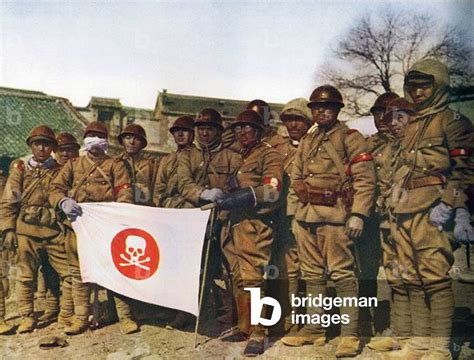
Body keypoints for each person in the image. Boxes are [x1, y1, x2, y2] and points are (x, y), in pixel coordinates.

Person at [386, 58, 473, 359]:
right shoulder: (412, 124)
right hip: (404, 210)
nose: (419, 93)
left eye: (425, 86)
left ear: (440, 86)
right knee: (411, 278)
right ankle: (419, 344)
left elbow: (464, 169)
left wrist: (451, 205)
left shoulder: (453, 121)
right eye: (414, 87)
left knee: (435, 278)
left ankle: (439, 348)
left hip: (433, 210)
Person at [287, 85, 376, 357]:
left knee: (342, 275)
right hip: (305, 216)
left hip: (337, 217)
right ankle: (315, 329)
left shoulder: (350, 138)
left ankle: (350, 334)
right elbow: (296, 180)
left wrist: (359, 214)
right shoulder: (307, 141)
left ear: (337, 109)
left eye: (327, 107)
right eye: (316, 107)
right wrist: (293, 216)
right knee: (312, 274)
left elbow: (365, 179)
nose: (321, 111)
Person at [49, 121, 138, 335]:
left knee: (115, 270)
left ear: (106, 141)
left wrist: (117, 214)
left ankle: (125, 317)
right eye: (90, 136)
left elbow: (125, 192)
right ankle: (81, 318)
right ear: (84, 140)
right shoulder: (73, 164)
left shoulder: (115, 165)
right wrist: (62, 201)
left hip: (106, 227)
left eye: (99, 136)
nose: (94, 140)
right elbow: (55, 188)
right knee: (79, 273)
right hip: (77, 226)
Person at [218, 109, 283, 356]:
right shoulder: (240, 157)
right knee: (238, 277)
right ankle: (245, 326)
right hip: (235, 223)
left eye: (248, 128)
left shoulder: (270, 154)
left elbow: (273, 190)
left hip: (256, 223)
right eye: (238, 128)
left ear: (259, 131)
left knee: (254, 278)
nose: (242, 133)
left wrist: (248, 194)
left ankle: (259, 332)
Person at [0, 125, 70, 333]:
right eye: (37, 144)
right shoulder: (19, 168)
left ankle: (60, 312)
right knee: (25, 276)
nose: (41, 148)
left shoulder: (59, 170)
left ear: (52, 148)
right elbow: (9, 201)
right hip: (26, 231)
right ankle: (27, 316)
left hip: (53, 231)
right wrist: (9, 229)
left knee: (61, 274)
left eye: (46, 144)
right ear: (31, 146)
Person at [177, 108, 241, 329]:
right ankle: (190, 311)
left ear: (218, 131)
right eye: (201, 129)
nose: (204, 133)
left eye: (209, 129)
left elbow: (238, 187)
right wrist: (202, 193)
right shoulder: (186, 156)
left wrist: (226, 198)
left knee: (230, 267)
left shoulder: (232, 156)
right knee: (192, 265)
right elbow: (184, 184)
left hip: (224, 218)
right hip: (195, 218)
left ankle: (234, 314)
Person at [367, 97, 415, 352]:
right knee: (394, 275)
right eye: (378, 114)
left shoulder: (410, 143)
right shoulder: (373, 144)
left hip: (410, 218)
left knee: (414, 275)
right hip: (382, 220)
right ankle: (401, 333)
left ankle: (419, 337)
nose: (383, 120)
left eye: (389, 115)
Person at [273, 98, 312, 334]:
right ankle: (288, 315)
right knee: (285, 267)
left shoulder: (315, 145)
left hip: (307, 214)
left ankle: (307, 318)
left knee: (308, 268)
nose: (293, 125)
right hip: (281, 215)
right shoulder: (279, 148)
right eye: (288, 120)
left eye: (298, 119)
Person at [153, 116, 195, 208]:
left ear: (193, 134)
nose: (180, 134)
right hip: (168, 206)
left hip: (190, 207)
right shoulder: (167, 160)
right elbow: (159, 188)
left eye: (184, 130)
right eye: (176, 131)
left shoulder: (198, 157)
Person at [117, 124, 157, 206]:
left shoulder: (150, 165)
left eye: (137, 139)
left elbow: (157, 190)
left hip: (144, 208)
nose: (132, 142)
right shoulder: (115, 163)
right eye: (128, 138)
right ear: (122, 141)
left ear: (142, 143)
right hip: (121, 207)